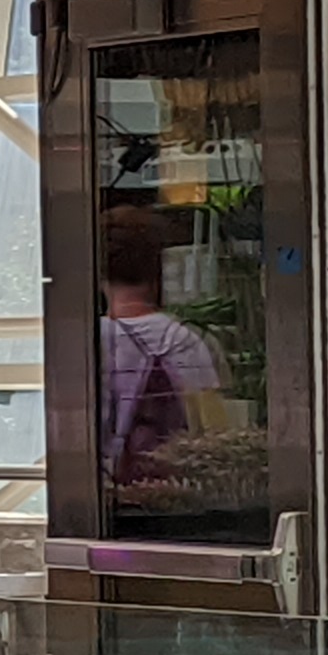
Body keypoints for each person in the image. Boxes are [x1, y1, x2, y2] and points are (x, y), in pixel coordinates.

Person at [98, 206, 225, 499]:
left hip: (108, 499)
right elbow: (214, 436)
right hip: (172, 498)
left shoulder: (84, 344)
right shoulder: (189, 342)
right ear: (158, 269)